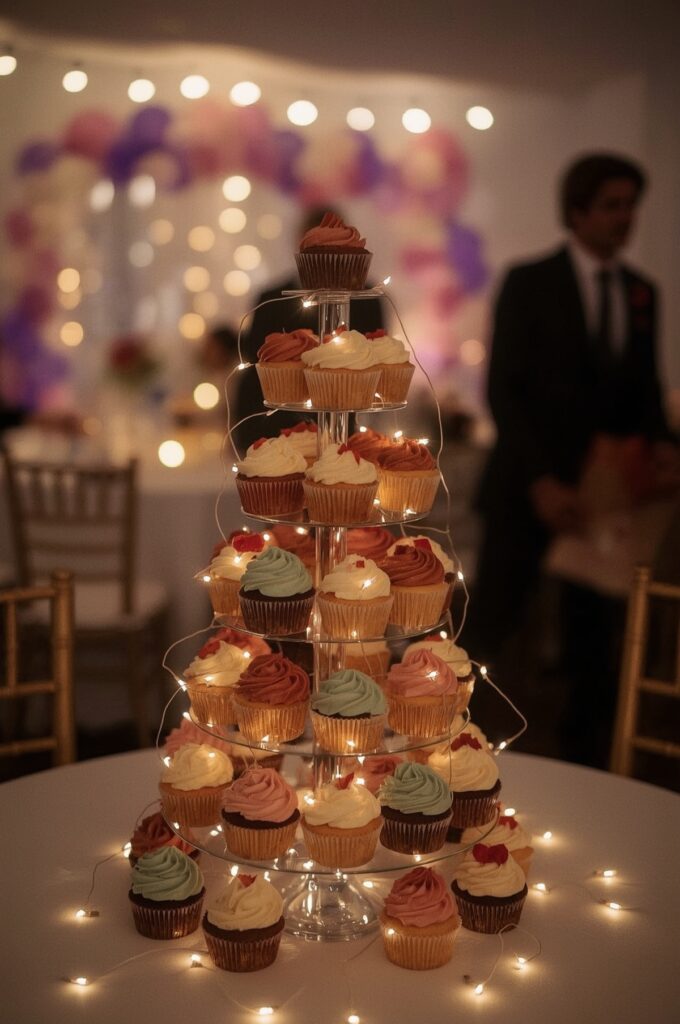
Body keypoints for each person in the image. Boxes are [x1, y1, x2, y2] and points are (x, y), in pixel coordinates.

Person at [464, 152, 677, 768]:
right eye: (611, 204)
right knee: (491, 625)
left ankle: (586, 766)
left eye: (631, 204)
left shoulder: (642, 292)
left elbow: (643, 392)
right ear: (577, 211)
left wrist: (663, 447)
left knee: (596, 639)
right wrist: (541, 482)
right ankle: (456, 755)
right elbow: (503, 389)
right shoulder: (530, 281)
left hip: (602, 497)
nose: (625, 217)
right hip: (526, 488)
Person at [232, 207, 386, 448]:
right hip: (275, 430)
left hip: (345, 429)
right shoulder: (271, 299)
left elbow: (377, 358)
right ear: (300, 244)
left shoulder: (368, 299)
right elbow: (255, 363)